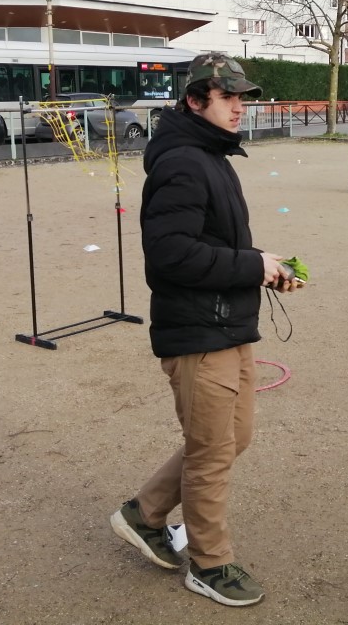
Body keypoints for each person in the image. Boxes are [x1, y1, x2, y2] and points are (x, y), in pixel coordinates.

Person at [111, 52, 304, 607]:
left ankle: (143, 514)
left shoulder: (210, 155)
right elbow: (169, 255)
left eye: (243, 97)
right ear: (196, 100)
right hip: (198, 333)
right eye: (229, 97)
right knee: (213, 450)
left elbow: (211, 241)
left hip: (227, 323)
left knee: (228, 439)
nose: (241, 107)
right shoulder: (183, 162)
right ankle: (208, 563)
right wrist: (251, 266)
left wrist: (263, 261)